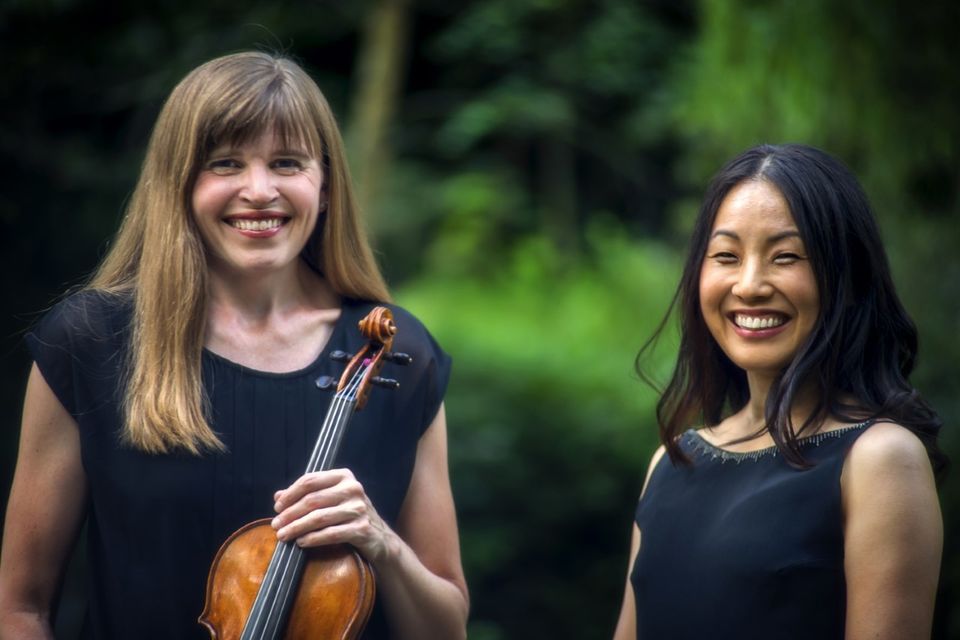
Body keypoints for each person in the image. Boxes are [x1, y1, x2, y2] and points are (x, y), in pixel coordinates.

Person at [0, 51, 468, 639]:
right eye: (225, 163)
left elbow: (447, 627)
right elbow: (20, 610)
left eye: (286, 163)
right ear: (179, 184)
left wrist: (382, 543)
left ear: (323, 186)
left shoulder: (399, 356)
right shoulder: (89, 343)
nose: (259, 190)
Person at [613, 144, 945, 639]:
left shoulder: (879, 460)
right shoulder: (670, 462)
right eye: (726, 255)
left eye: (785, 256)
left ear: (847, 276)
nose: (749, 285)